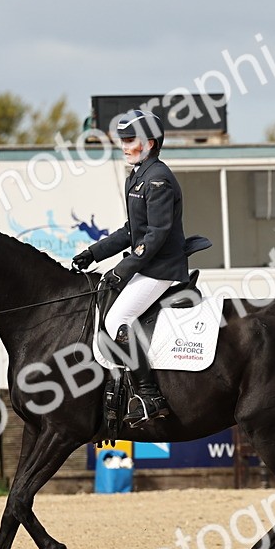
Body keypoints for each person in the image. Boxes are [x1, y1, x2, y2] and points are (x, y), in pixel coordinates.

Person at [72, 109, 188, 426]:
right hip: (147, 265)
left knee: (118, 319)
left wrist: (123, 269)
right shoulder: (137, 177)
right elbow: (130, 231)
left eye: (129, 140)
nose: (124, 147)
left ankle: (150, 396)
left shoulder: (158, 179)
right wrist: (93, 253)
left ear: (149, 143)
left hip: (162, 268)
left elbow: (157, 234)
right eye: (121, 141)